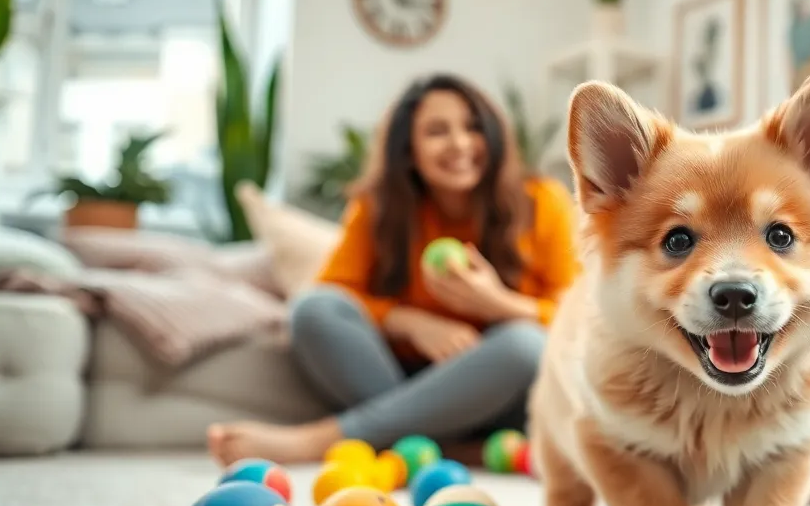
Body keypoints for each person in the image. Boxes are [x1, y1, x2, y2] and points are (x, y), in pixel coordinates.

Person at [207, 73, 580, 466]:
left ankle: (327, 439)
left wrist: (497, 303)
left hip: (500, 388)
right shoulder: (378, 207)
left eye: (473, 127)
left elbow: (579, 318)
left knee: (525, 345)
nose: (459, 143)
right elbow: (334, 294)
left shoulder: (543, 200)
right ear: (408, 150)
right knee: (314, 309)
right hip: (399, 375)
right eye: (437, 131)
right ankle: (436, 443)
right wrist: (412, 324)